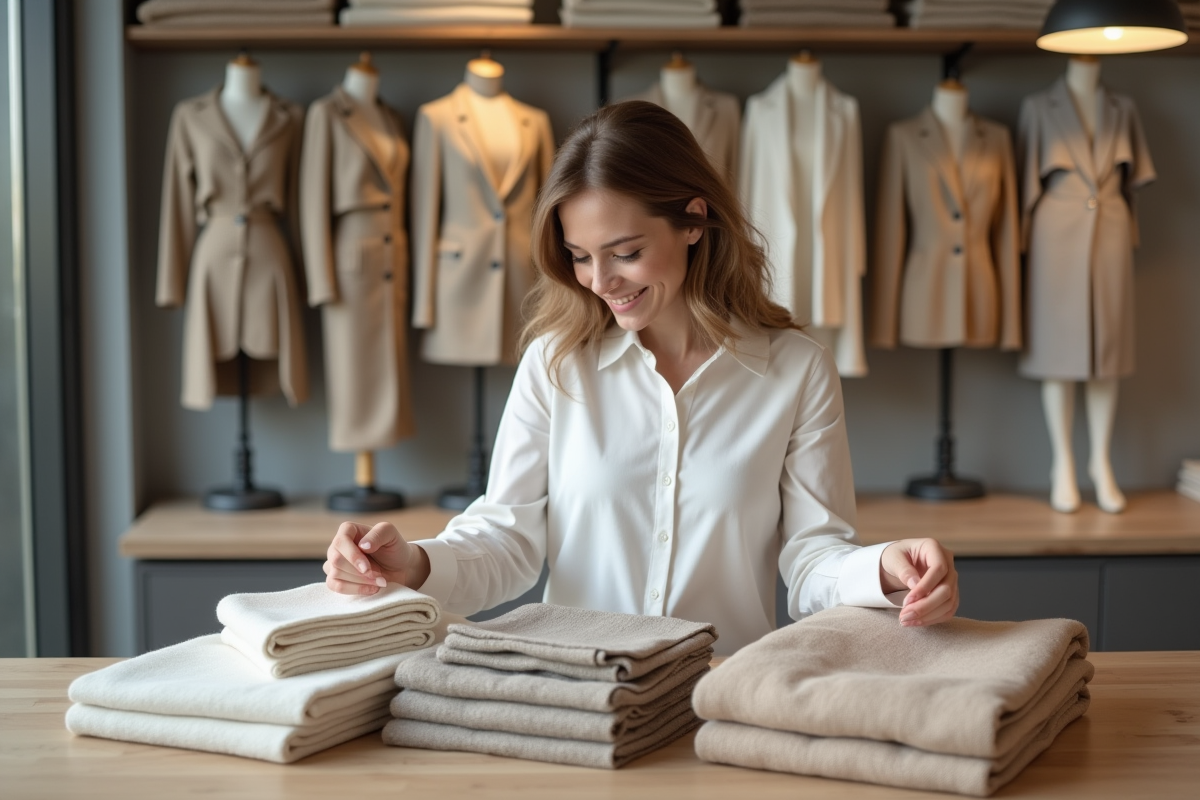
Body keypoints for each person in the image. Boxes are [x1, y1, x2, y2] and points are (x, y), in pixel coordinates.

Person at [323, 101, 959, 654]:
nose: (601, 282)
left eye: (625, 253)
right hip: (573, 699)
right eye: (579, 257)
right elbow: (507, 539)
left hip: (720, 697)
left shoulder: (796, 368)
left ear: (691, 221)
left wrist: (883, 569)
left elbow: (813, 558)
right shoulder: (555, 362)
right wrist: (417, 562)